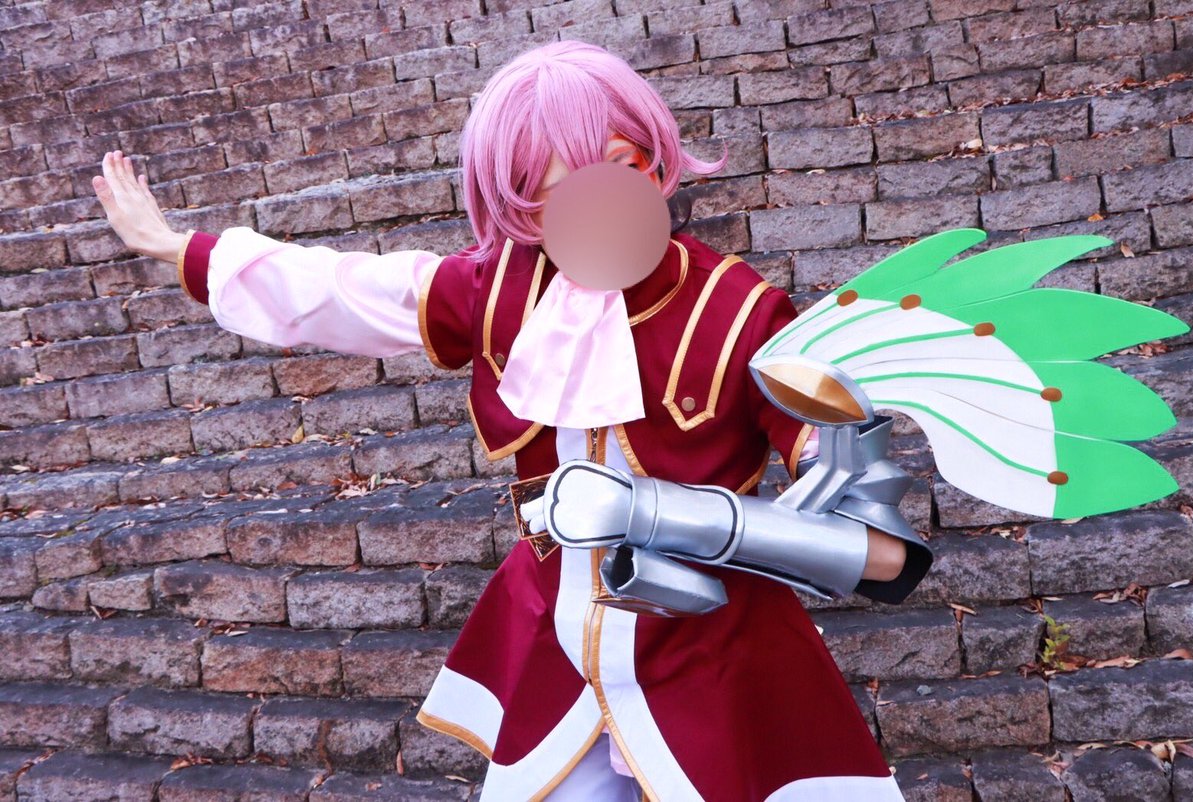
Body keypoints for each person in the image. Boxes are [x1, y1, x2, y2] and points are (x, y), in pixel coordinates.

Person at [94, 40, 929, 802]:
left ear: (653, 161)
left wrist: (750, 486)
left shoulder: (739, 308)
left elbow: (872, 538)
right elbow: (341, 288)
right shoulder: (497, 289)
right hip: (555, 640)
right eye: (552, 196)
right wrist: (178, 248)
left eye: (617, 169)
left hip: (712, 646)